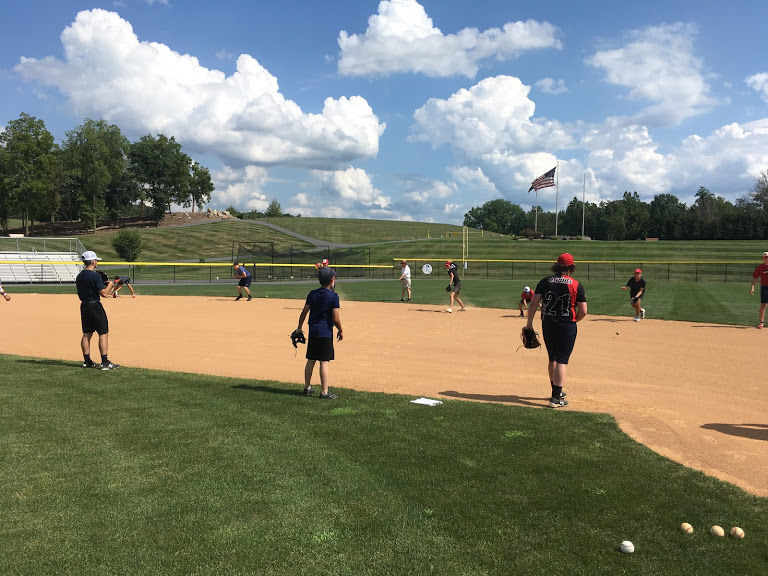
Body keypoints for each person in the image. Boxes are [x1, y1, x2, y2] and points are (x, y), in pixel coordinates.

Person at [525, 253, 587, 408]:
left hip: (548, 323)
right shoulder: (576, 284)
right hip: (567, 325)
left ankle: (555, 390)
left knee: (552, 358)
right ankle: (555, 398)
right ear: (571, 267)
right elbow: (583, 311)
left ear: (556, 265)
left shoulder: (545, 282)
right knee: (562, 360)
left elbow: (533, 304)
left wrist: (529, 324)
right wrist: (574, 321)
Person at [296, 266, 343, 399]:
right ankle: (324, 392)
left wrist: (299, 328)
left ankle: (307, 387)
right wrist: (340, 330)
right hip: (325, 332)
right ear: (332, 280)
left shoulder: (312, 293)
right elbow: (335, 318)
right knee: (324, 361)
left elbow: (304, 312)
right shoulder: (333, 296)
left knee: (311, 360)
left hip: (313, 331)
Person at [76, 250, 119, 370]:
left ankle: (87, 361)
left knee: (86, 334)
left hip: (84, 306)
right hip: (95, 306)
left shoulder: (79, 276)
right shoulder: (95, 276)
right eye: (96, 260)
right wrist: (110, 284)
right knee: (103, 333)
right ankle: (105, 362)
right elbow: (104, 293)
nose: (97, 262)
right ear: (93, 262)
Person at [750, 251, 768, 329]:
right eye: (765, 258)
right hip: (764, 287)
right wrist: (752, 287)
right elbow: (755, 277)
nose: (766, 259)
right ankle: (761, 322)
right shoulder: (760, 267)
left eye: (767, 257)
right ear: (763, 258)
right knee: (763, 305)